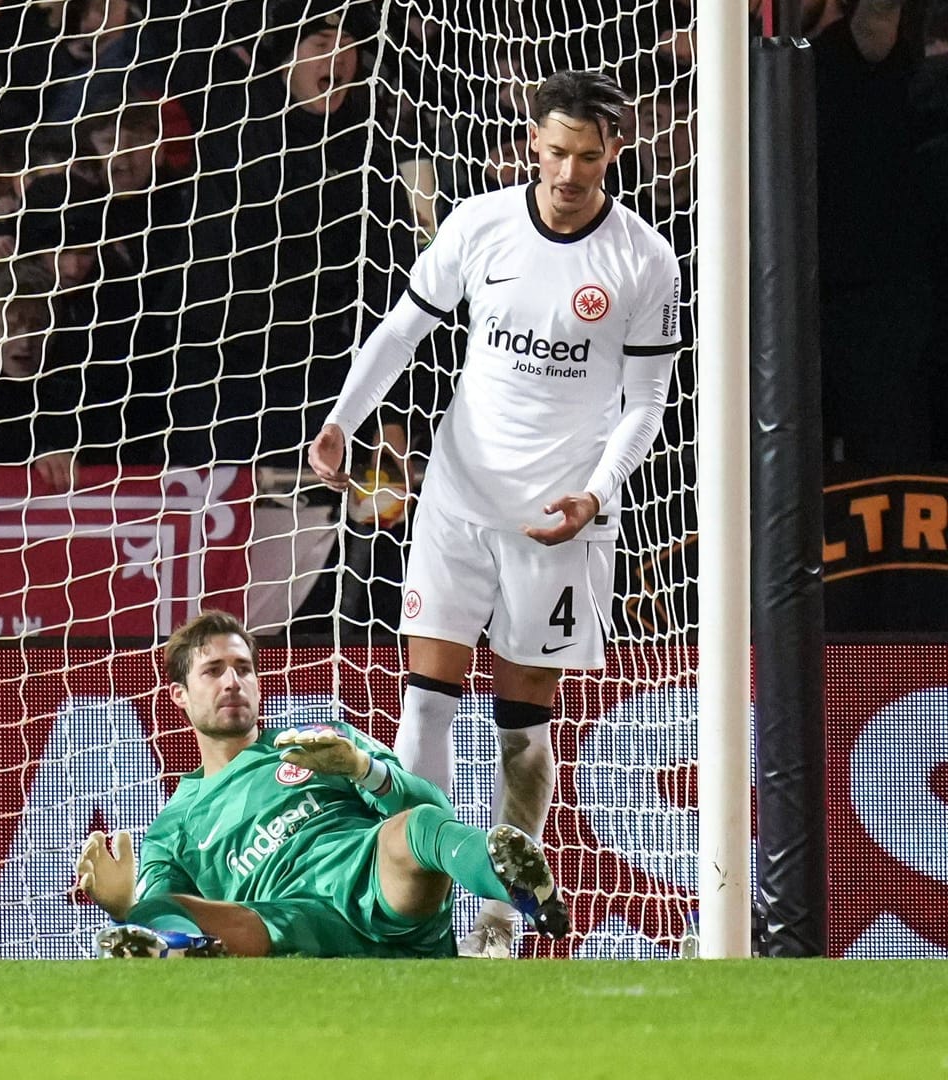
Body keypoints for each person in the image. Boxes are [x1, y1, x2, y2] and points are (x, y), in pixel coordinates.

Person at [306, 70, 683, 958]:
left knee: (522, 733)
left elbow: (645, 399)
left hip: (560, 519)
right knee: (425, 704)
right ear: (531, 148)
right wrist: (341, 422)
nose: (569, 173)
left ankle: (499, 917)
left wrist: (597, 492)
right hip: (458, 498)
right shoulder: (478, 224)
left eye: (588, 156)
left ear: (613, 154)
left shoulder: (643, 259)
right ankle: (423, 909)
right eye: (555, 153)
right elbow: (403, 329)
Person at [75, 610, 567, 959]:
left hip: (380, 892)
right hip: (289, 922)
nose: (232, 682)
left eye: (243, 669)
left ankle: (521, 888)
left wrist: (362, 770)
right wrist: (127, 909)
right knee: (165, 907)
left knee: (417, 825)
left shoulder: (318, 743)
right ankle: (179, 955)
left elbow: (434, 804)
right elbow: (162, 907)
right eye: (213, 671)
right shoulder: (174, 826)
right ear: (179, 696)